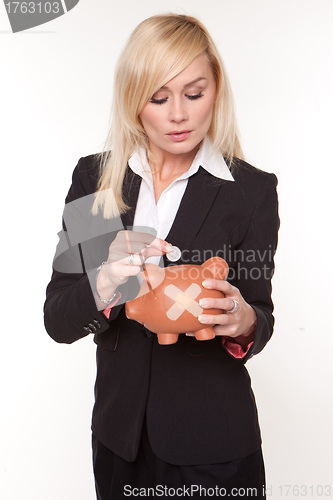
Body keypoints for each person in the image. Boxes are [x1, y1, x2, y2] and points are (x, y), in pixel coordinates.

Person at [44, 13, 279, 500]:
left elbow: (261, 316)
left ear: (216, 90)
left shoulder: (250, 192)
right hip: (119, 443)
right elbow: (58, 319)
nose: (179, 115)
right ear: (134, 99)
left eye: (194, 94)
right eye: (158, 97)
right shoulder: (98, 181)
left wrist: (241, 320)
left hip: (214, 448)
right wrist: (105, 282)